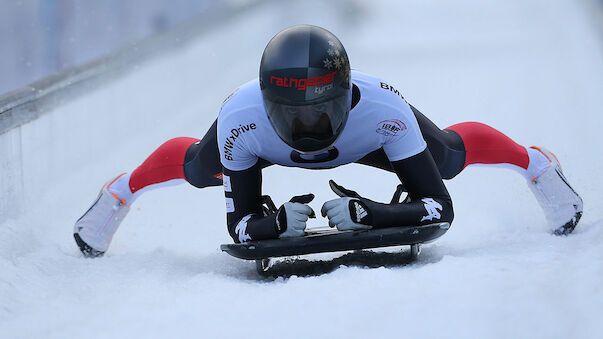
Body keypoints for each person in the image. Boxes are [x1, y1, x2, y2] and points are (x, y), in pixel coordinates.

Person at [73, 25, 583, 257]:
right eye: (294, 114)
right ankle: (121, 191)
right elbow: (242, 226)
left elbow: (439, 205)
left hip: (366, 141)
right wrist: (272, 223)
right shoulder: (240, 120)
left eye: (321, 111)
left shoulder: (385, 109)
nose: (310, 129)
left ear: (347, 94)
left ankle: (534, 163)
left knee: (446, 157)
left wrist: (373, 213)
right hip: (263, 147)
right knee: (196, 168)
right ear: (268, 103)